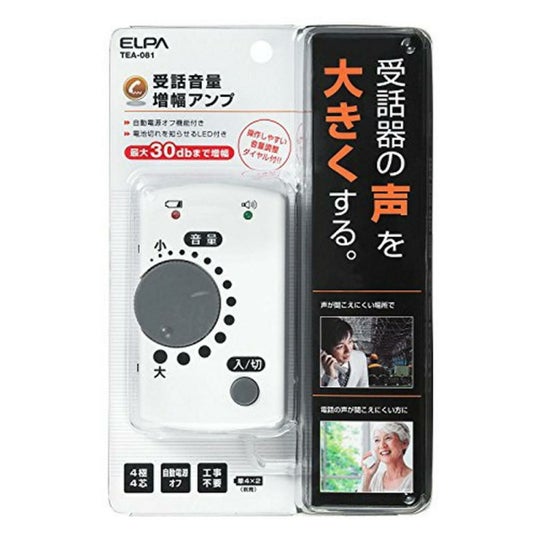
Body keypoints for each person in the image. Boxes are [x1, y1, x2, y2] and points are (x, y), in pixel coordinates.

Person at [361, 422, 413, 493]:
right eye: (377, 440)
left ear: (404, 443)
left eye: (388, 438)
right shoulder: (375, 479)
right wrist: (367, 475)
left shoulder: (414, 479)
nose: (382, 445)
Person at [320, 318, 369, 388]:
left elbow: (364, 388)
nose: (348, 350)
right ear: (327, 350)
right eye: (340, 347)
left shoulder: (360, 358)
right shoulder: (316, 368)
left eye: (350, 342)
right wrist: (331, 376)